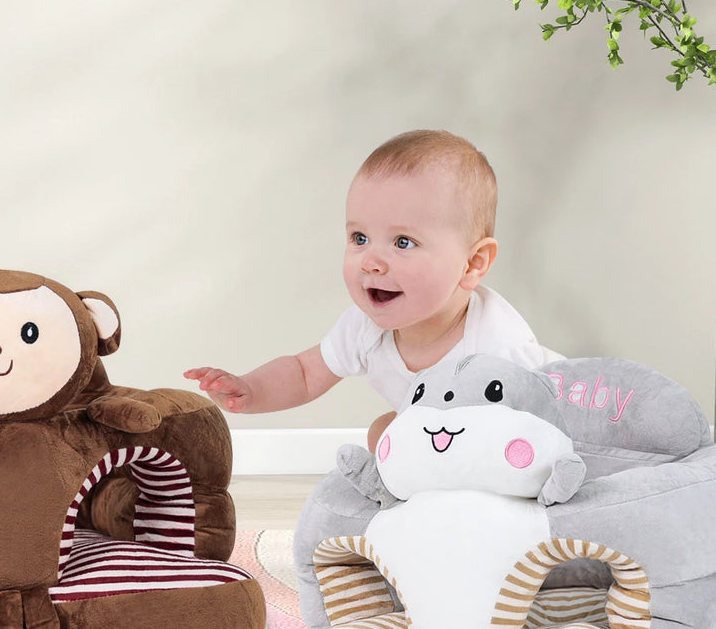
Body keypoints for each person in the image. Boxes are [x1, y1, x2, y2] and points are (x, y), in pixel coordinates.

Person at [184, 130, 560, 452]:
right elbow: (305, 373)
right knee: (384, 432)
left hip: (541, 428)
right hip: (447, 441)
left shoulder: (499, 345)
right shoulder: (365, 328)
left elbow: (540, 423)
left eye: (403, 242)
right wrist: (251, 389)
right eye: (359, 238)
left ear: (473, 263)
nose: (371, 262)